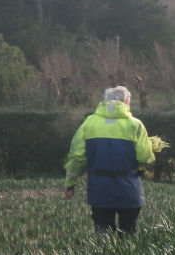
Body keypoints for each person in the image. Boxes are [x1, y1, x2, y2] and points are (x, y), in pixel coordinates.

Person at [63, 86, 155, 235]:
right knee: (128, 234)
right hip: (129, 190)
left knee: (103, 235)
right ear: (126, 102)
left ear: (105, 101)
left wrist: (70, 183)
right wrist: (150, 146)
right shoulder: (135, 124)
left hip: (99, 190)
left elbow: (76, 157)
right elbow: (146, 158)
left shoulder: (89, 123)